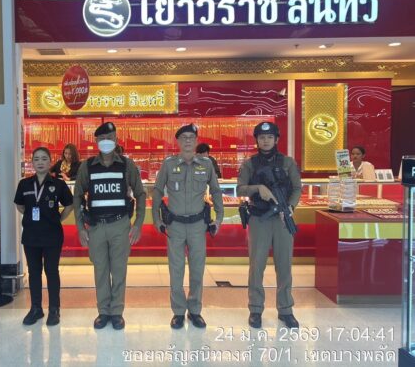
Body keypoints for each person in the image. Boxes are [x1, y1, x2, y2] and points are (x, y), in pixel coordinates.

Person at [73, 122, 146, 330]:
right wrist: (80, 227)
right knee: (101, 270)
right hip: (96, 227)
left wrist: (138, 223)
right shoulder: (87, 166)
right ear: (96, 141)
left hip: (120, 225)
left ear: (116, 139)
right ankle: (103, 311)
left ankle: (117, 312)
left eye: (110, 137)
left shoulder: (127, 165)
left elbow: (140, 194)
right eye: (102, 138)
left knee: (119, 270)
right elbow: (77, 196)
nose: (106, 141)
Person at [152, 123, 224, 329]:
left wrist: (218, 218)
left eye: (191, 137)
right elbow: (157, 190)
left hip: (197, 226)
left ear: (196, 140)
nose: (187, 141)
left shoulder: (206, 164)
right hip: (174, 225)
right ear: (177, 141)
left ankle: (194, 310)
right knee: (176, 270)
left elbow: (216, 191)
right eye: (183, 137)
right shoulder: (168, 164)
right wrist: (156, 219)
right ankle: (178, 312)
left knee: (197, 269)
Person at [236, 121, 302, 329]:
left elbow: (297, 188)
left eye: (269, 137)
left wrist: (290, 206)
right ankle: (255, 309)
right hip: (259, 219)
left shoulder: (287, 163)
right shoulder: (250, 164)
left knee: (284, 265)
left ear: (276, 139)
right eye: (262, 137)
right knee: (257, 266)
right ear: (257, 140)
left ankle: (286, 309)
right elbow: (240, 189)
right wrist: (257, 189)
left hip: (282, 218)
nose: (266, 141)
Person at [14, 147, 74, 326]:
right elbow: (20, 206)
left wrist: (58, 219)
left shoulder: (58, 184)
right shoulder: (24, 184)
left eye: (44, 159)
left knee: (51, 271)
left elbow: (69, 205)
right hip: (31, 236)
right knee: (34, 272)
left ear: (50, 162)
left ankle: (54, 309)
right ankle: (36, 308)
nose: (40, 162)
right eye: (37, 159)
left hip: (52, 236)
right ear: (32, 162)